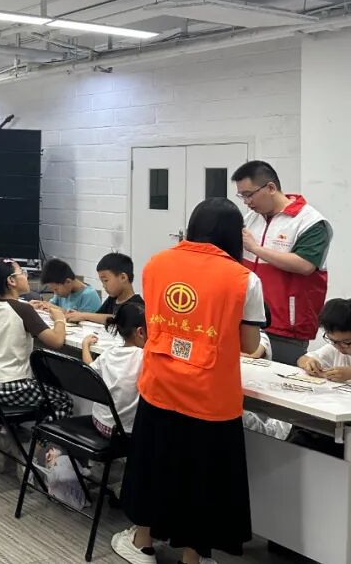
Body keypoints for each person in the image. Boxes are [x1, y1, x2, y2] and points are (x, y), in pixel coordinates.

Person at [113, 198, 265, 564]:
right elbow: (249, 345)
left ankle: (142, 544)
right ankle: (192, 558)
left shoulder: (156, 263)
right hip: (210, 396)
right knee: (201, 480)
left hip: (160, 384)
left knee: (154, 466)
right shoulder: (244, 279)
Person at [233, 160, 333, 365]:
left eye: (249, 194)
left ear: (270, 188)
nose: (246, 202)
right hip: (250, 318)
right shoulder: (251, 218)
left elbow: (305, 265)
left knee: (280, 379)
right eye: (242, 196)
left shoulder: (310, 222)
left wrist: (256, 249)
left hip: (287, 326)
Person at [0, 258, 73, 420]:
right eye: (22, 272)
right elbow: (56, 341)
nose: (26, 276)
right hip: (7, 386)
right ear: (11, 281)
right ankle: (42, 436)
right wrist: (59, 319)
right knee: (63, 400)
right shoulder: (23, 309)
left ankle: (13, 429)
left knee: (44, 385)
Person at [81, 301, 146, 435]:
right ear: (140, 332)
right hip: (123, 432)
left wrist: (85, 345)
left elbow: (90, 369)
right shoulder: (143, 357)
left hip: (98, 421)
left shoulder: (109, 353)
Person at [67, 252, 143, 325]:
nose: (103, 286)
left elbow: (117, 320)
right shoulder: (112, 299)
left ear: (123, 277)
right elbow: (97, 316)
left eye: (106, 280)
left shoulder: (137, 306)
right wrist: (78, 315)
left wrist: (84, 315)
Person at [297, 298, 351, 381]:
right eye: (332, 341)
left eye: (346, 342)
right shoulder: (334, 349)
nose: (339, 347)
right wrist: (308, 362)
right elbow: (302, 359)